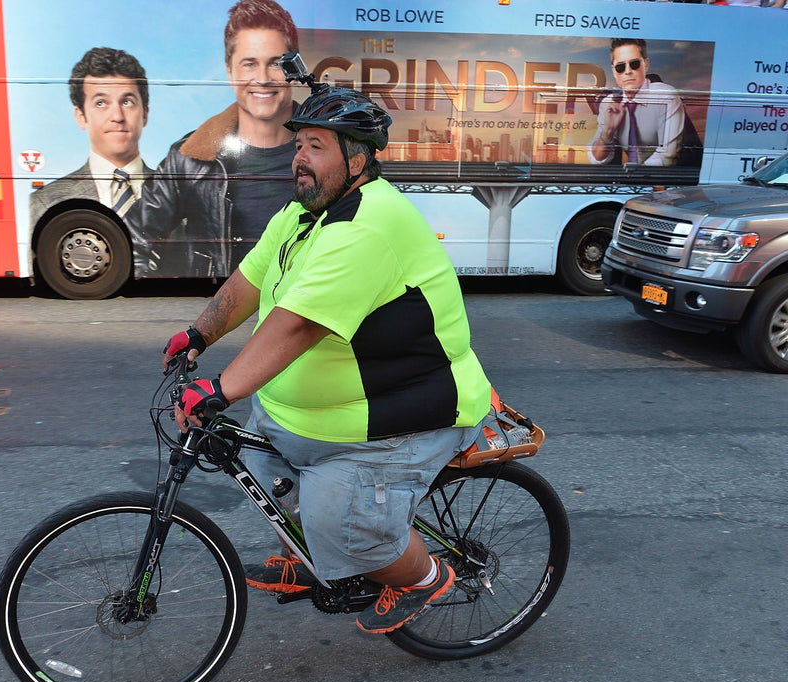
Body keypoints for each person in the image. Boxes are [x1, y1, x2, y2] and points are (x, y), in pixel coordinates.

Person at [161, 80, 493, 634]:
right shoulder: (302, 214)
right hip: (313, 417)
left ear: (357, 158)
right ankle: (316, 556)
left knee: (342, 522)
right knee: (256, 463)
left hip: (393, 417)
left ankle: (424, 576)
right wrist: (197, 335)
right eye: (299, 145)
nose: (299, 158)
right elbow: (251, 278)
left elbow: (298, 327)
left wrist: (218, 389)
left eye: (316, 146)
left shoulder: (369, 225)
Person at [129, 0, 299, 277]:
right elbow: (134, 238)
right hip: (222, 312)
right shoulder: (187, 158)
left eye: (276, 64)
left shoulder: (331, 149)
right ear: (230, 73)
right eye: (249, 64)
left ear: (294, 70)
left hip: (304, 311)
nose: (262, 78)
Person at [29, 47, 152, 236]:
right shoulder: (47, 201)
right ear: (80, 116)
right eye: (101, 103)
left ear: (144, 114)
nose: (117, 116)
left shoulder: (181, 195)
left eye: (127, 102)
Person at [588, 38, 686, 167]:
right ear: (614, 72)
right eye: (620, 67)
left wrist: (634, 181)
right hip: (635, 177)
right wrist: (608, 130)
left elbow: (667, 156)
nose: (628, 71)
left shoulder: (665, 96)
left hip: (667, 179)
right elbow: (597, 159)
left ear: (646, 64)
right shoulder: (609, 103)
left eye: (634, 64)